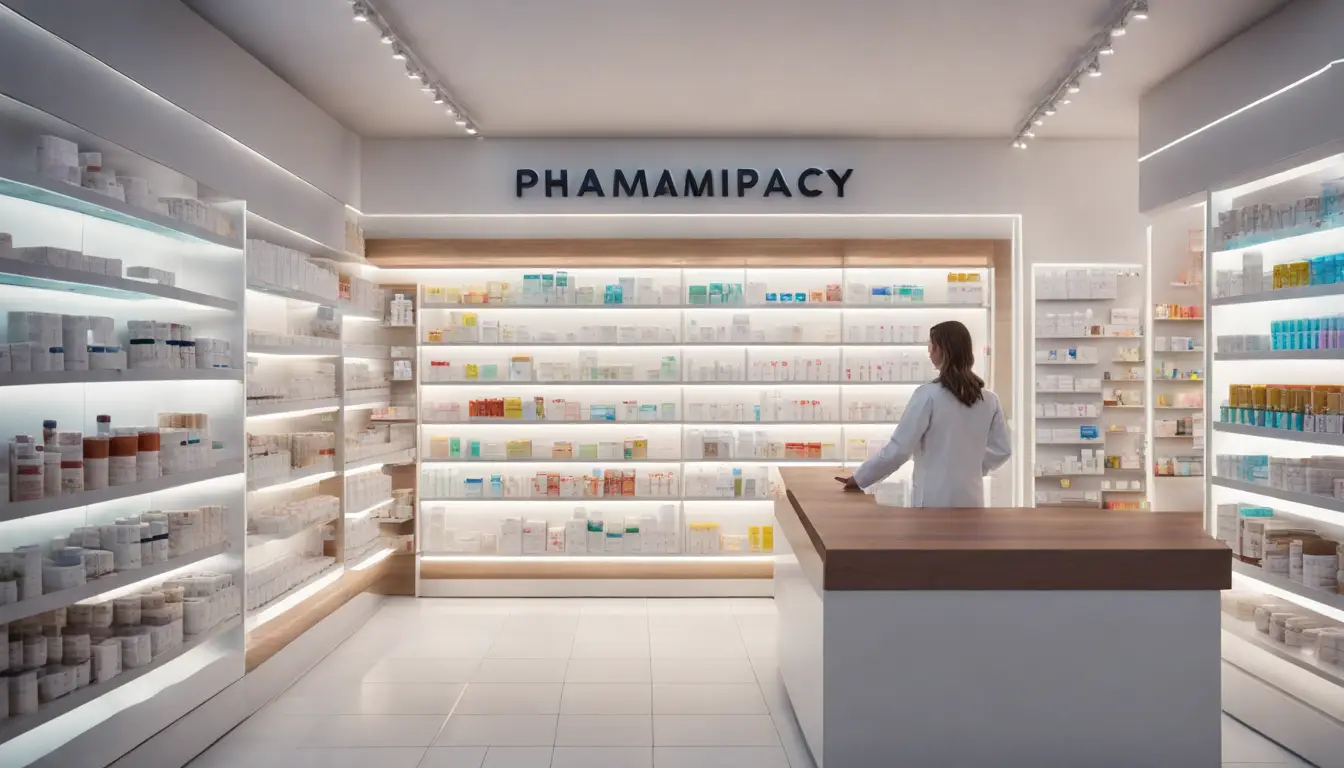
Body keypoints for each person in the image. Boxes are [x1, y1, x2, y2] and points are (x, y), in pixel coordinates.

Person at [835, 319, 1010, 507]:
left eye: (932, 345)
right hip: (971, 498)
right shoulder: (989, 399)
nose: (929, 350)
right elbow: (1002, 450)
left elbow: (899, 450)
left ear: (944, 351)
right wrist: (972, 468)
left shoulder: (928, 395)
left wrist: (860, 478)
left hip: (933, 499)